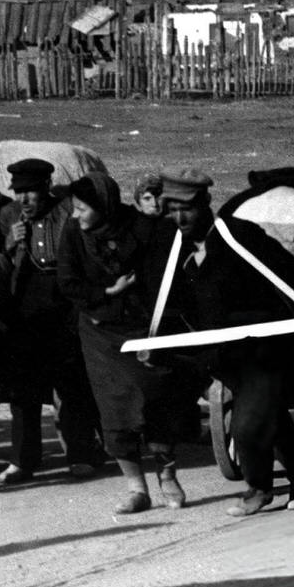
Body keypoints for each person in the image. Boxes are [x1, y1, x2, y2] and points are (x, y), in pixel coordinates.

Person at [145, 167, 294, 516]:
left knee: (247, 422)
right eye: (172, 209)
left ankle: (258, 488)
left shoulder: (239, 235)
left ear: (206, 203)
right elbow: (167, 301)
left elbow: (290, 277)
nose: (180, 217)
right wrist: (154, 342)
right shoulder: (174, 248)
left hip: (265, 346)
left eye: (188, 208)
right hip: (224, 354)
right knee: (269, 413)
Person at [58, 173, 194, 513]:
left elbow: (166, 278)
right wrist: (107, 292)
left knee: (155, 400)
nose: (76, 215)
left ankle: (167, 476)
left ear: (103, 205)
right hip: (100, 332)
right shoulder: (74, 232)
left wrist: (157, 329)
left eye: (82, 208)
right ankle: (136, 488)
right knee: (114, 407)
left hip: (143, 328)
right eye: (73, 209)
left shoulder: (143, 229)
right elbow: (67, 282)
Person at [0, 159, 104, 483]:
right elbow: (2, 264)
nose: (24, 200)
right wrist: (11, 243)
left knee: (71, 383)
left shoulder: (66, 213)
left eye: (30, 192)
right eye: (19, 193)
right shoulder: (8, 217)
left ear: (45, 188)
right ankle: (22, 460)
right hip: (27, 303)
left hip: (64, 299)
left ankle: (81, 455)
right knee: (23, 388)